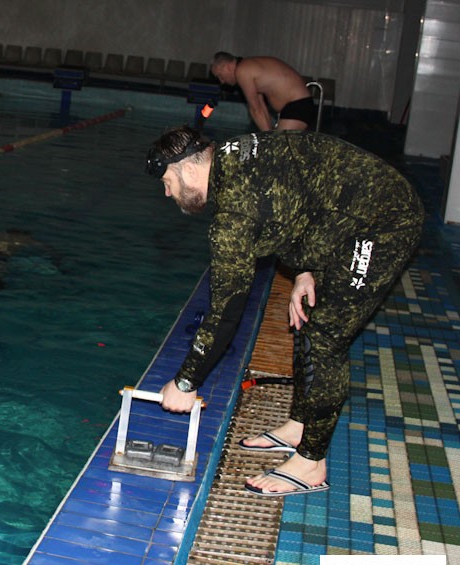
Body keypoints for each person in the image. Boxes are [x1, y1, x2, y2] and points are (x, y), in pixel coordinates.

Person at [145, 126, 423, 497]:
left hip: (384, 221)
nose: (167, 193)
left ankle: (312, 463)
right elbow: (298, 196)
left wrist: (185, 382)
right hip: (349, 215)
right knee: (309, 316)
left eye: (167, 182)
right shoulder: (233, 154)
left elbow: (227, 311)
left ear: (189, 170)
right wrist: (304, 270)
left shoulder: (233, 214)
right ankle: (300, 425)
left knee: (325, 338)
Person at [210, 51, 316, 131]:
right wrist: (268, 135)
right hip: (298, 105)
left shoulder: (242, 71)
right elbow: (261, 108)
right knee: (277, 148)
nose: (222, 81)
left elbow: (255, 110)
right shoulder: (250, 68)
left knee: (278, 148)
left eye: (220, 75)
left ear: (227, 67)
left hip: (297, 105)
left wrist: (268, 140)